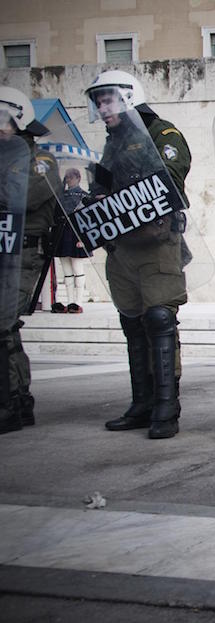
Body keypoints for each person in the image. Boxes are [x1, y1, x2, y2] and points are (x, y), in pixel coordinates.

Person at [85, 70, 192, 439]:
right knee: (133, 322)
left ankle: (167, 406)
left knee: (160, 319)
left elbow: (170, 177)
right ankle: (142, 403)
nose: (102, 108)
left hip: (157, 243)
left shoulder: (161, 133)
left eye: (108, 100)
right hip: (122, 245)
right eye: (98, 102)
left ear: (129, 98)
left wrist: (121, 188)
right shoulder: (113, 141)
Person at [0, 86, 61, 434]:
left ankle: (11, 403)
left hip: (23, 253)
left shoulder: (41, 160)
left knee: (3, 325)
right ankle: (18, 400)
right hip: (3, 248)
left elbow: (20, 196)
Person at [50, 168, 90, 314]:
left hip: (77, 234)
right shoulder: (62, 195)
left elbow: (88, 220)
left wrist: (84, 238)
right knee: (67, 271)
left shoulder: (84, 196)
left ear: (78, 178)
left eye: (71, 178)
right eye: (67, 178)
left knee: (77, 269)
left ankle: (78, 302)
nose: (69, 180)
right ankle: (70, 301)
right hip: (63, 233)